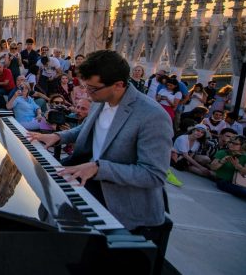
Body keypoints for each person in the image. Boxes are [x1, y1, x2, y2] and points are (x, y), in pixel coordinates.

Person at [28, 50, 172, 264]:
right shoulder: (100, 100)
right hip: (92, 181)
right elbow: (86, 130)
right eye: (86, 86)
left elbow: (154, 174)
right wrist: (57, 137)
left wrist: (98, 167)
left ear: (119, 85)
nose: (87, 92)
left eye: (93, 88)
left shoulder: (152, 116)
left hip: (123, 203)